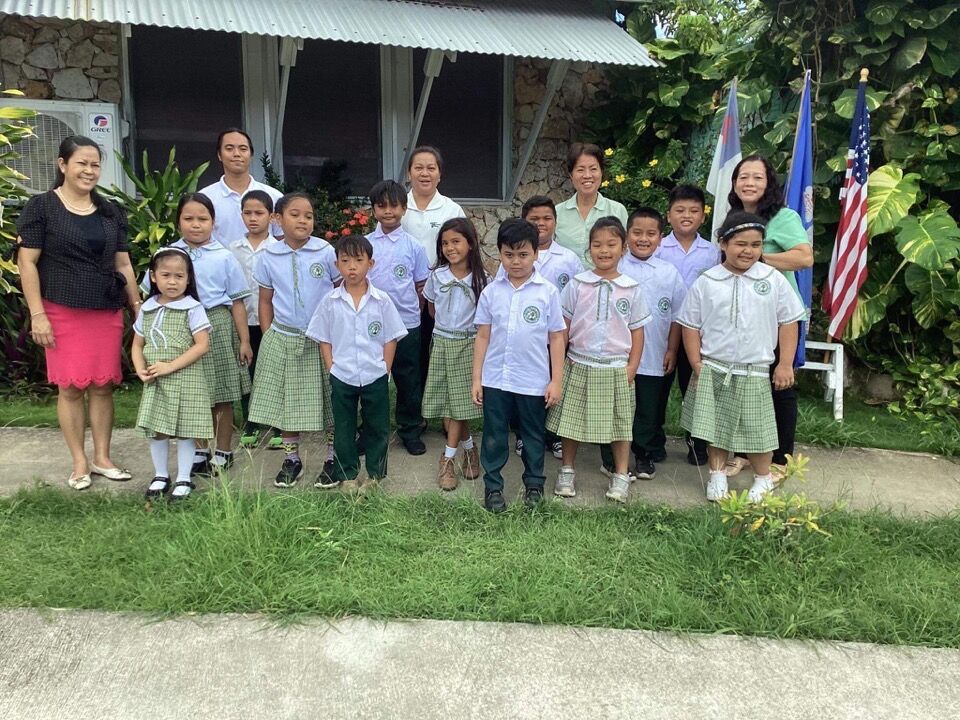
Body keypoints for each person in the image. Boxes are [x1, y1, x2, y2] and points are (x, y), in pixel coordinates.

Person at [16, 135, 141, 491]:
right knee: (70, 387)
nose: (89, 170)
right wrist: (37, 314)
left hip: (105, 307)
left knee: (103, 385)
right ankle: (79, 462)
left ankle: (103, 457)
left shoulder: (110, 211)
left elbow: (123, 263)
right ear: (63, 165)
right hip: (61, 308)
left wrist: (137, 307)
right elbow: (27, 263)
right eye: (82, 163)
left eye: (95, 164)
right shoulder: (41, 207)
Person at [677, 211, 806, 503]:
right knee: (716, 427)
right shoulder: (708, 281)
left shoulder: (772, 280)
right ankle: (717, 474)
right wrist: (697, 365)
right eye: (740, 244)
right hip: (714, 366)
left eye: (756, 245)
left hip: (755, 369)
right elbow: (691, 326)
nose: (748, 251)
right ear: (723, 244)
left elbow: (788, 322)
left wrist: (785, 363)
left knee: (757, 429)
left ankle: (763, 478)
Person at [548, 217, 650, 503]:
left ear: (624, 248)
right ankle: (567, 469)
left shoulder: (632, 288)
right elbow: (562, 327)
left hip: (616, 366)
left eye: (611, 244)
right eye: (597, 245)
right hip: (578, 363)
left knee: (620, 423)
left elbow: (638, 332)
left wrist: (632, 367)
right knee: (572, 422)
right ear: (589, 249)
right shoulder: (578, 284)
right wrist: (560, 365)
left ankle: (620, 474)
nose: (604, 251)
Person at [726, 155, 813, 480]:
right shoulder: (734, 216)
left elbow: (804, 257)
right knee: (743, 384)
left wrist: (758, 257)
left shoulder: (783, 217)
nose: (749, 183)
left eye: (757, 178)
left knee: (780, 383)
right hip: (741, 316)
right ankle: (745, 453)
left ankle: (780, 460)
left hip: (777, 316)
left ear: (768, 183)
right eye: (743, 177)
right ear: (734, 183)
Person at [152, 193, 253, 475]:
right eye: (189, 219)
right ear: (178, 222)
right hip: (182, 326)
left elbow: (237, 301)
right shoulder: (169, 255)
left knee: (221, 393)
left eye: (203, 219)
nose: (196, 225)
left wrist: (244, 340)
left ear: (213, 222)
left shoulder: (224, 256)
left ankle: (223, 451)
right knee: (194, 394)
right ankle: (199, 450)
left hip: (217, 326)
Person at [472, 218, 566, 513]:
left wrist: (556, 380)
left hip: (532, 380)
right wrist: (477, 379)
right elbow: (483, 336)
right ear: (499, 253)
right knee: (494, 435)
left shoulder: (547, 292)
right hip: (496, 379)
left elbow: (557, 338)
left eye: (523, 254)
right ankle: (493, 488)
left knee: (533, 434)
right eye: (509, 254)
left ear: (536, 254)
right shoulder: (491, 292)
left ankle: (534, 484)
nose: (516, 261)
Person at [247, 192, 340, 488]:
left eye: (309, 216)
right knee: (287, 404)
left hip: (323, 340)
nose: (303, 220)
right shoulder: (268, 257)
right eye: (295, 214)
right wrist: (268, 334)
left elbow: (341, 292)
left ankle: (332, 457)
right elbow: (265, 300)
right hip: (284, 338)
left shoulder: (325, 252)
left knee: (331, 399)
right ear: (277, 219)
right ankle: (292, 459)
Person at [307, 235, 407, 491]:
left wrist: (385, 369)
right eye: (345, 261)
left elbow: (391, 337)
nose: (352, 267)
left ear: (370, 264)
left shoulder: (382, 300)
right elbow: (324, 338)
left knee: (377, 426)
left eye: (358, 260)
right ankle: (348, 475)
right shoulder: (330, 301)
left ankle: (375, 475)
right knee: (343, 427)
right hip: (343, 375)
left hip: (374, 374)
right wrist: (331, 367)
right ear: (337, 265)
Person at [600, 208, 686, 481]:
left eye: (651, 234)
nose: (643, 239)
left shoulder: (669, 272)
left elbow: (675, 316)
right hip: (616, 356)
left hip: (654, 355)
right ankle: (610, 458)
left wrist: (672, 349)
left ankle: (644, 454)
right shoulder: (615, 267)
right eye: (637, 233)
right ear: (627, 235)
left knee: (648, 410)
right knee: (614, 408)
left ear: (661, 238)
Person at [496, 196, 582, 459]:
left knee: (553, 387)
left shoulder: (569, 258)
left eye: (547, 218)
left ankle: (553, 435)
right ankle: (523, 434)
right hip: (524, 338)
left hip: (556, 335)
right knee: (525, 391)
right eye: (534, 219)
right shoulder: (510, 258)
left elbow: (577, 297)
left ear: (555, 222)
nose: (541, 223)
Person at [132, 248, 212, 501]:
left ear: (188, 279)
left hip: (185, 377)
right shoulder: (147, 308)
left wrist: (171, 366)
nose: (172, 281)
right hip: (156, 379)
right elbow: (137, 344)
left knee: (185, 429)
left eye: (179, 276)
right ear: (153, 277)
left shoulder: (193, 308)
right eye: (166, 275)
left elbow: (202, 345)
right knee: (158, 428)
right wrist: (140, 369)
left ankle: (184, 478)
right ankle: (160, 475)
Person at [654, 184, 720, 466]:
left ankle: (697, 443)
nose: (686, 216)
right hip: (662, 332)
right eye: (680, 210)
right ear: (668, 215)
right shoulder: (658, 248)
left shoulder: (713, 252)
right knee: (658, 388)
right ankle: (653, 442)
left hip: (699, 334)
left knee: (695, 387)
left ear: (703, 217)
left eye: (694, 211)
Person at [422, 218, 488, 490]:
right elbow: (432, 309)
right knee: (450, 404)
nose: (450, 248)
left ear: (470, 244)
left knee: (459, 404)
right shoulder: (437, 276)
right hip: (442, 344)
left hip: (469, 346)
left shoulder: (484, 280)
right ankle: (470, 449)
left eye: (456, 241)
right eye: (445, 243)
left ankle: (447, 458)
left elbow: (485, 321)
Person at [365, 179, 430, 455]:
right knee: (370, 378)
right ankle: (369, 430)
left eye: (394, 206)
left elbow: (420, 286)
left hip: (406, 324)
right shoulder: (365, 245)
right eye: (381, 206)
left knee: (408, 378)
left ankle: (410, 428)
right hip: (370, 324)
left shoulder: (413, 247)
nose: (388, 211)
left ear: (404, 208)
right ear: (373, 210)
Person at [400, 146, 466, 389]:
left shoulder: (451, 209)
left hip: (441, 292)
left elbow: (463, 249)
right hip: (403, 292)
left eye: (431, 168)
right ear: (409, 173)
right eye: (418, 168)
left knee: (434, 347)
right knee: (409, 352)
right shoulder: (399, 207)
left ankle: (439, 403)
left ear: (440, 174)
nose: (424, 173)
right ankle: (413, 408)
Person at [229, 190, 280, 449]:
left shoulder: (278, 249)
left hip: (271, 320)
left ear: (271, 217)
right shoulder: (233, 249)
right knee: (248, 370)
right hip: (242, 321)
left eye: (259, 213)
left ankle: (279, 424)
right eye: (247, 213)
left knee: (273, 371)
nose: (253, 218)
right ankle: (251, 422)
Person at [199, 128, 283, 247]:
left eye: (243, 149)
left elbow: (282, 239)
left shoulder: (274, 196)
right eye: (229, 148)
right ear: (219, 155)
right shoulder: (205, 198)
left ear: (251, 154)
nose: (237, 154)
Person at [554, 143, 628, 268]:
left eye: (593, 169)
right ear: (571, 175)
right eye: (580, 170)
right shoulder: (557, 212)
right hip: (566, 285)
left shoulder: (617, 210)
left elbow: (626, 253)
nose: (587, 175)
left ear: (601, 172)